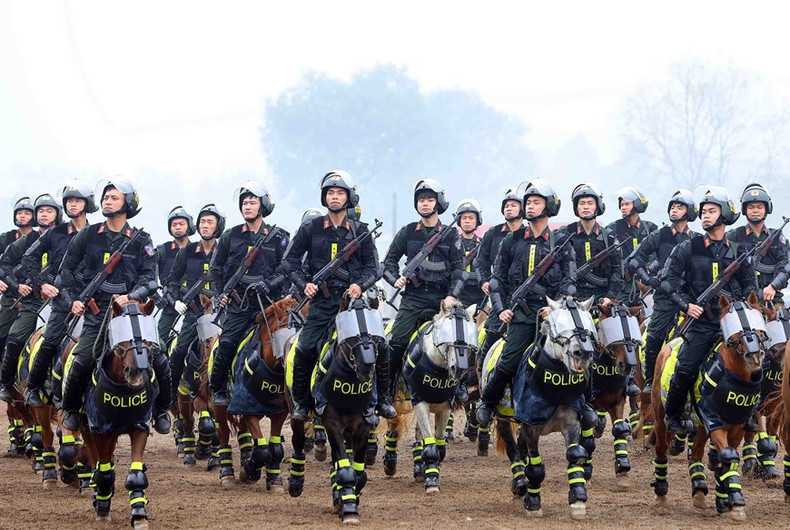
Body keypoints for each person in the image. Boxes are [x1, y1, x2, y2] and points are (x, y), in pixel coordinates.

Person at [59, 178, 171, 434]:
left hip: (132, 314)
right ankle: (72, 409)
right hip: (97, 312)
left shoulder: (142, 239)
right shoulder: (88, 234)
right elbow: (65, 269)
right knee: (82, 359)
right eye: (106, 198)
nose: (107, 201)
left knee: (161, 357)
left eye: (114, 198)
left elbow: (151, 279)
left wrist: (132, 296)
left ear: (127, 204)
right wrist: (75, 298)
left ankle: (163, 409)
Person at [283, 170, 389, 422]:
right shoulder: (311, 228)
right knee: (305, 348)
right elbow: (289, 262)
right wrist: (304, 283)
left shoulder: (361, 231)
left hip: (354, 305)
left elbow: (375, 268)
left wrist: (359, 285)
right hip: (322, 303)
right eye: (330, 192)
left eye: (340, 193)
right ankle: (302, 403)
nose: (334, 197)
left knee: (380, 347)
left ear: (348, 197)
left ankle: (379, 401)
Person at [476, 179, 577, 426]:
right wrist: (501, 310)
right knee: (508, 361)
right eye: (528, 202)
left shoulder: (561, 242)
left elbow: (571, 281)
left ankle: (583, 407)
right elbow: (497, 278)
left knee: (580, 353)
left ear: (549, 206)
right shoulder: (512, 240)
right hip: (520, 315)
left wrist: (556, 305)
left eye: (536, 202)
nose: (530, 207)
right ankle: (488, 402)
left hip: (551, 316)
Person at [660, 186, 757, 433]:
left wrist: (741, 306)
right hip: (701, 324)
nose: (705, 215)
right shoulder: (688, 247)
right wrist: (687, 305)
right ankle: (672, 416)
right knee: (684, 369)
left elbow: (750, 286)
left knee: (756, 363)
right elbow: (667, 280)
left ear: (724, 214)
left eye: (711, 211)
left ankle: (751, 414)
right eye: (703, 211)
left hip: (732, 326)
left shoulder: (740, 252)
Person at [208, 181, 289, 406]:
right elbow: (215, 269)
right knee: (226, 343)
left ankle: (296, 395)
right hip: (240, 303)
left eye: (252, 202)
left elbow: (287, 269)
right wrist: (219, 293)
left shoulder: (279, 237)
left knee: (292, 345)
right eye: (244, 203)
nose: (247, 206)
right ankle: (218, 388)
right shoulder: (230, 236)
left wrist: (270, 284)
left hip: (270, 303)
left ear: (263, 206)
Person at [383, 179, 464, 394]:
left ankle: (459, 388)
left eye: (429, 199)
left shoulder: (451, 234)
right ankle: (385, 393)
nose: (425, 204)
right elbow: (388, 262)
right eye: (421, 200)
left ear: (438, 203)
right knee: (396, 343)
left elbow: (459, 270)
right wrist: (395, 279)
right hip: (413, 299)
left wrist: (451, 297)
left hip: (442, 301)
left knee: (460, 342)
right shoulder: (407, 232)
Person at [24, 181, 97, 407]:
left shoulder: (99, 234)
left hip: (93, 299)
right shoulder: (54, 233)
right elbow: (29, 258)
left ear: (87, 204)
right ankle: (33, 388)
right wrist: (42, 284)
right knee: (50, 340)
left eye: (77, 200)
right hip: (62, 297)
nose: (72, 205)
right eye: (69, 201)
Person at [627, 189, 698, 393]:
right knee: (654, 336)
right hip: (665, 298)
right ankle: (649, 380)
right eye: (673, 207)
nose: (675, 210)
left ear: (690, 212)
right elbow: (634, 259)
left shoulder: (698, 239)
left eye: (680, 207)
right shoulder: (660, 235)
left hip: (692, 299)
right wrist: (648, 279)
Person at [0, 194, 62, 401]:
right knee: (15, 338)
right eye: (40, 211)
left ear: (57, 214)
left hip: (62, 302)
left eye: (49, 211)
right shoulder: (28, 240)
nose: (44, 214)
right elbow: (5, 263)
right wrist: (17, 286)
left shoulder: (65, 237)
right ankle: (7, 384)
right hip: (32, 302)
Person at [166, 203, 225, 407]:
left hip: (220, 314)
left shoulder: (225, 250)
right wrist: (175, 302)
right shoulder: (187, 251)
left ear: (218, 226)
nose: (205, 226)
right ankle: (170, 398)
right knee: (179, 351)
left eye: (210, 222)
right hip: (193, 313)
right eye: (202, 222)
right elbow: (171, 281)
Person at [474, 188, 525, 358]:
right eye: (506, 206)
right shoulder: (493, 234)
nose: (508, 209)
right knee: (490, 336)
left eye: (513, 205)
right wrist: (484, 281)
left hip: (525, 297)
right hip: (498, 295)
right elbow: (480, 261)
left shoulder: (531, 234)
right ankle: (477, 377)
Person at [726, 183, 789, 306]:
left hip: (771, 296)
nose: (755, 211)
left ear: (767, 209)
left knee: (782, 322)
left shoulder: (777, 237)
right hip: (741, 298)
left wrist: (773, 286)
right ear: (745, 209)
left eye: (759, 207)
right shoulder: (734, 236)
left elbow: (785, 265)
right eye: (751, 207)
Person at [606, 187, 658, 306]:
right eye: (622, 204)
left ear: (638, 205)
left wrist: (648, 269)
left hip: (648, 285)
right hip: (623, 287)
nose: (623, 207)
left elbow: (658, 255)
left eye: (627, 204)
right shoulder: (613, 229)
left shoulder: (651, 228)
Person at [156, 206, 195, 341]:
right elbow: (149, 272)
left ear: (189, 226)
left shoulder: (197, 250)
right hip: (170, 299)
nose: (177, 227)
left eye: (181, 224)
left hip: (194, 300)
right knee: (159, 338)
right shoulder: (162, 250)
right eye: (174, 225)